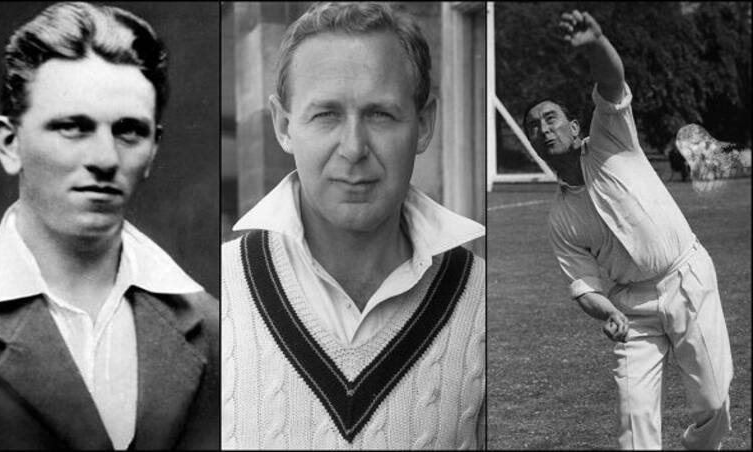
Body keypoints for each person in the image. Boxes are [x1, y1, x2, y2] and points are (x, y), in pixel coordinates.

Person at [0, 2, 219, 449]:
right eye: (73, 127)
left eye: (129, 130)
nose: (104, 159)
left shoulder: (213, 327)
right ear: (9, 144)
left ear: (154, 149)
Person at [221, 2, 485, 449]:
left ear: (423, 125)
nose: (354, 147)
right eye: (325, 114)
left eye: (380, 114)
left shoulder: (479, 300)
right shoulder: (219, 293)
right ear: (284, 126)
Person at [522, 10, 734, 450]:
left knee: (713, 400)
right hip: (630, 310)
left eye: (550, 118)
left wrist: (597, 42)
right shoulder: (560, 219)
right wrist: (608, 313)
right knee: (634, 426)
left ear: (575, 127)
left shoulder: (610, 139)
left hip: (685, 278)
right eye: (534, 127)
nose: (543, 129)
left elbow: (611, 84)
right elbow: (584, 286)